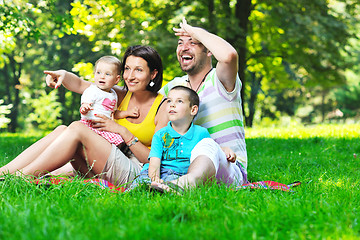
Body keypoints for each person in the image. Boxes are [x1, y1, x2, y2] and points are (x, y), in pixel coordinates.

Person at [0, 45, 168, 187]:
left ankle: (18, 179)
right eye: (127, 69)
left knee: (78, 128)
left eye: (138, 70)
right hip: (108, 158)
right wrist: (63, 75)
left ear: (153, 74)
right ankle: (4, 173)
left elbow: (153, 159)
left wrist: (122, 131)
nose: (130, 76)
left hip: (135, 171)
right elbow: (82, 85)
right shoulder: (123, 94)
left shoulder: (164, 107)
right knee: (62, 129)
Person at [152, 18, 248, 192]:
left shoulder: (220, 80)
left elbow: (229, 56)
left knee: (207, 143)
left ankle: (181, 186)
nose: (184, 48)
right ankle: (177, 184)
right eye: (180, 43)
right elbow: (143, 98)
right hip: (185, 168)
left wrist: (194, 30)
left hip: (229, 168)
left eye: (193, 43)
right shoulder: (175, 87)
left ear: (209, 51)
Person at [130, 86, 234, 190]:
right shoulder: (160, 134)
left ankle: (164, 189)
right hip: (154, 172)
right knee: (139, 184)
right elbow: (154, 161)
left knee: (171, 185)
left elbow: (210, 150)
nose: (172, 105)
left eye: (179, 101)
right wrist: (155, 178)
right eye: (169, 101)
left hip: (179, 175)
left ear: (193, 110)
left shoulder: (200, 133)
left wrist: (225, 150)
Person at [79, 55, 137, 146]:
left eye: (107, 74)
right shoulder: (93, 90)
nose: (102, 77)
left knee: (119, 141)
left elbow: (114, 113)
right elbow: (85, 103)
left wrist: (128, 113)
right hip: (91, 124)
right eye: (98, 73)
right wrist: (85, 108)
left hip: (104, 127)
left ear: (116, 79)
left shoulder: (113, 94)